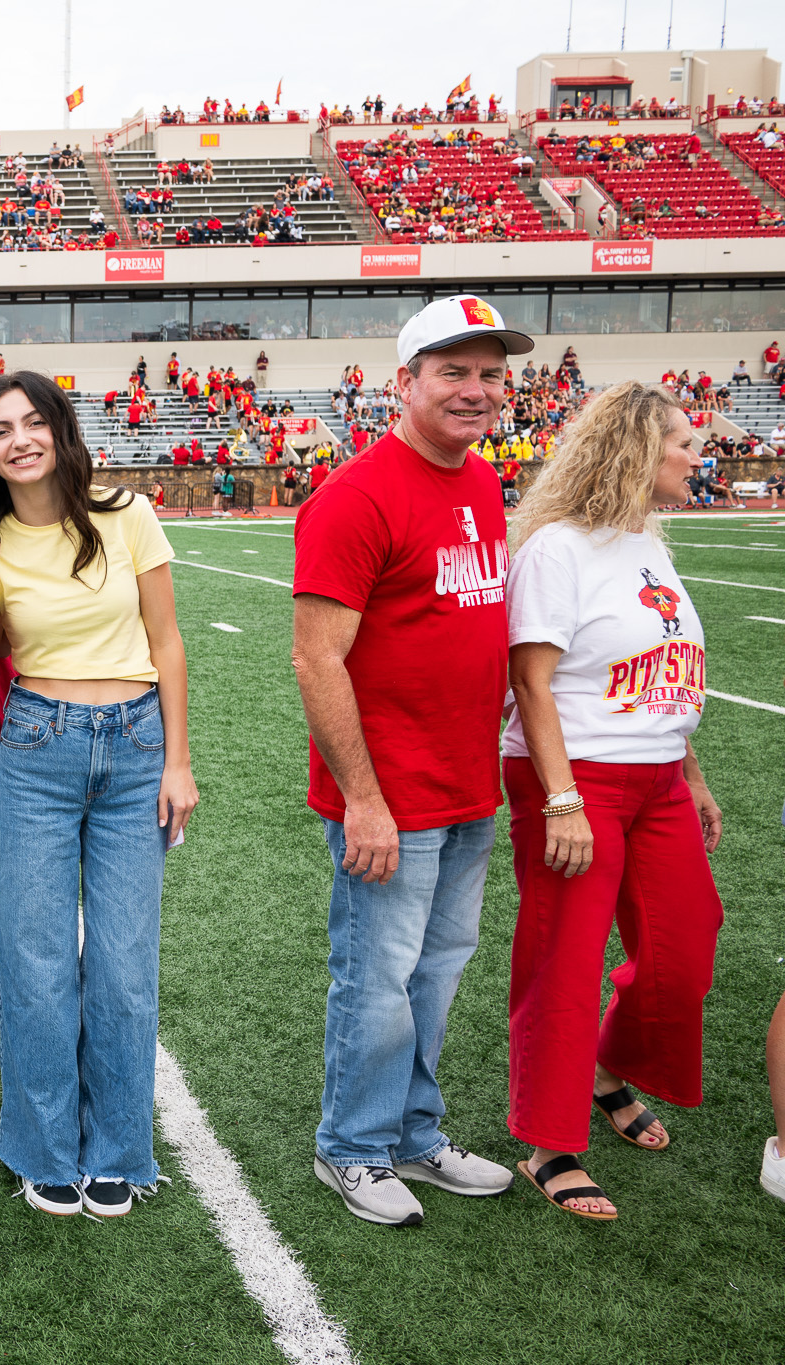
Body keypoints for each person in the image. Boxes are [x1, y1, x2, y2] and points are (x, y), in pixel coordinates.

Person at [291, 296, 532, 1226]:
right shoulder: (356, 495)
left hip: (467, 780)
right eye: (454, 372)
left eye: (489, 373)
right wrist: (364, 798)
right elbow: (317, 658)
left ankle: (413, 1134)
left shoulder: (479, 480)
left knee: (436, 973)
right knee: (379, 977)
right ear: (405, 382)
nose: (476, 390)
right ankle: (350, 1146)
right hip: (392, 794)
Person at [0, 372, 196, 1218]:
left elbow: (166, 640)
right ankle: (43, 1146)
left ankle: (120, 1143)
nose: (18, 439)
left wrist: (178, 762)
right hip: (36, 746)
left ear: (58, 427)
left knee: (124, 967)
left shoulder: (126, 512)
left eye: (32, 422)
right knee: (38, 960)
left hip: (134, 747)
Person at [501, 382, 723, 1220]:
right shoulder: (559, 546)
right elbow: (531, 677)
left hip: (658, 774)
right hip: (576, 777)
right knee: (564, 954)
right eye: (683, 443)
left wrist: (690, 771)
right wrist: (561, 797)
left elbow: (663, 672)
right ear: (636, 449)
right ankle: (549, 1143)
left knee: (685, 944)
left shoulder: (645, 541)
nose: (696, 458)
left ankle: (601, 1069)